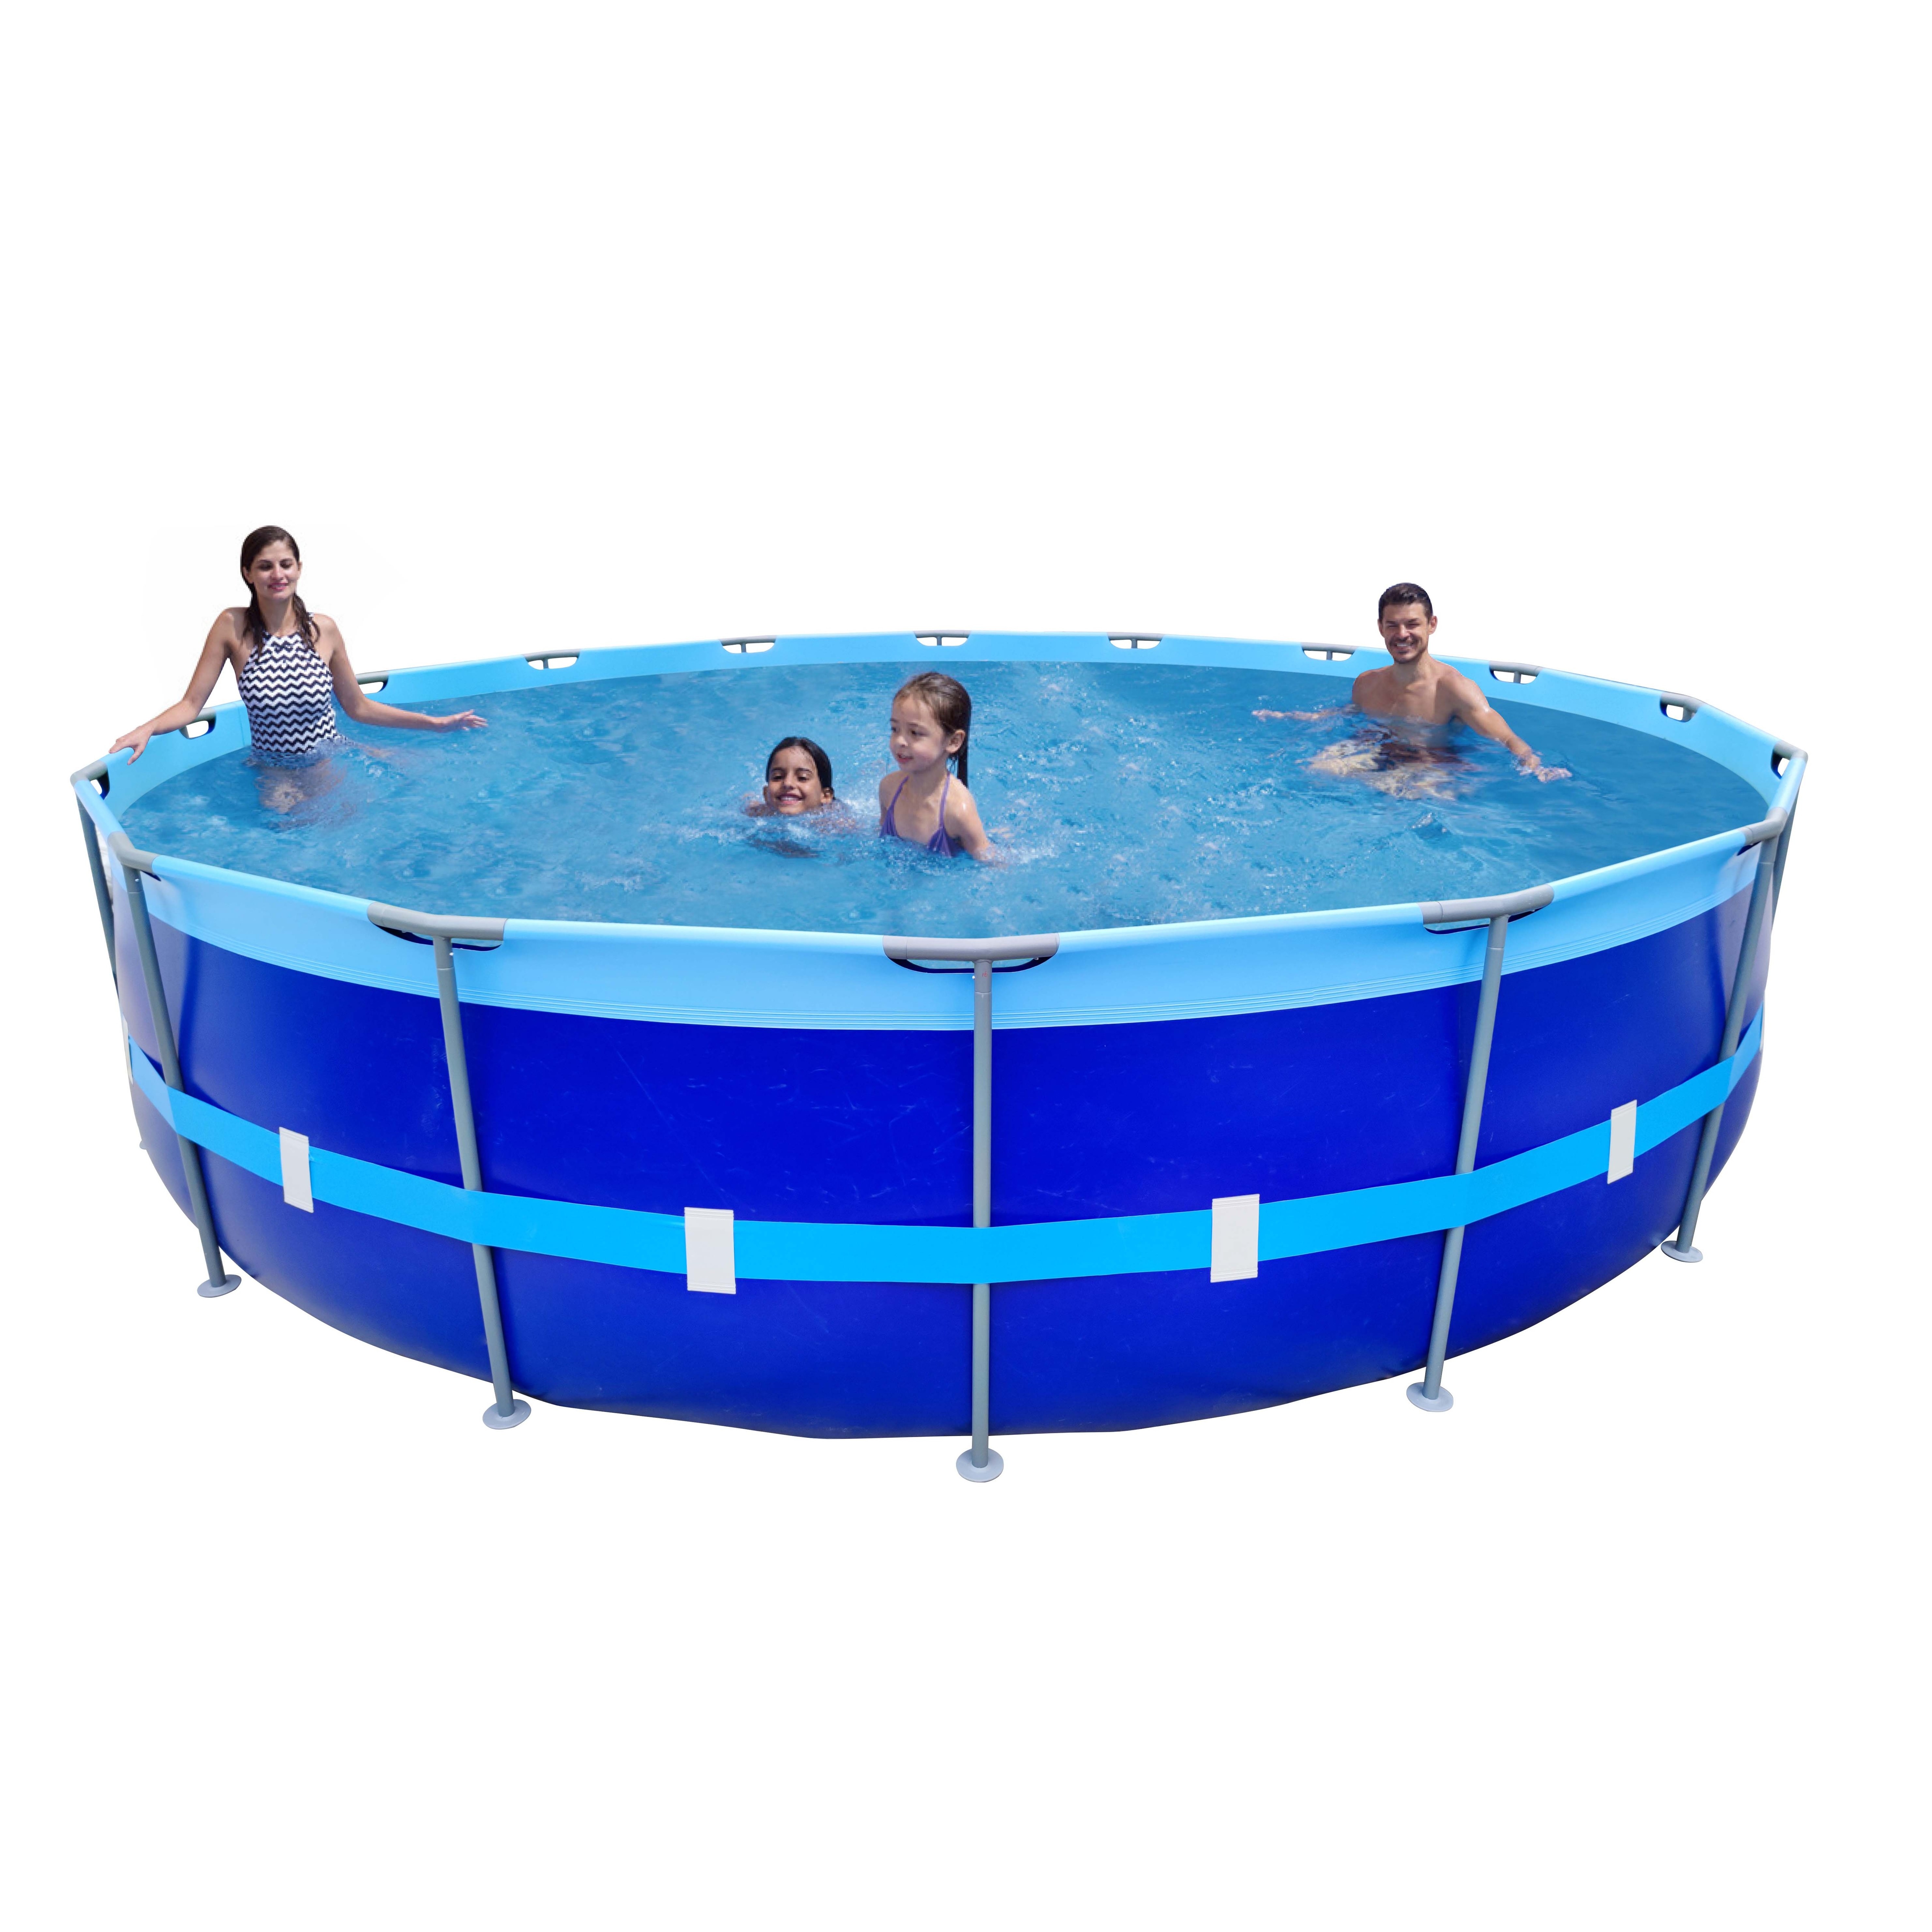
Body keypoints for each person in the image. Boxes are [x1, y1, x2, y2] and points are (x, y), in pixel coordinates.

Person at [110, 528, 487, 797]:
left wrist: (434, 724)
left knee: (418, 786)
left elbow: (358, 707)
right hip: (276, 770)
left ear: (299, 569)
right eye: (265, 566)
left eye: (286, 565)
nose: (278, 575)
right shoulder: (232, 626)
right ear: (247, 574)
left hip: (332, 757)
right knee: (289, 833)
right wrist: (148, 728)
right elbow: (192, 704)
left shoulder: (324, 630)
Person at [1256, 582, 1570, 784]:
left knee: (1405, 793)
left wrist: (1535, 766)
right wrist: (1293, 717)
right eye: (1392, 625)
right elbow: (1347, 714)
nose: (1402, 634)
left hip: (1431, 766)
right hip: (1379, 753)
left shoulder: (1454, 690)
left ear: (1432, 625)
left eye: (1412, 624)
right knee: (1312, 771)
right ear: (1380, 627)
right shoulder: (1366, 684)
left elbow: (1507, 738)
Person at [877, 671, 994, 860]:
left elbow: (989, 861)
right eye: (895, 729)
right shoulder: (888, 789)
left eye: (915, 733)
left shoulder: (957, 811)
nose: (900, 741)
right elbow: (881, 842)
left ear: (954, 741)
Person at [744, 736, 845, 817]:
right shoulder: (756, 816)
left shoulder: (837, 826)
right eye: (778, 777)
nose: (788, 783)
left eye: (802, 778)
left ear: (825, 796)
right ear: (766, 794)